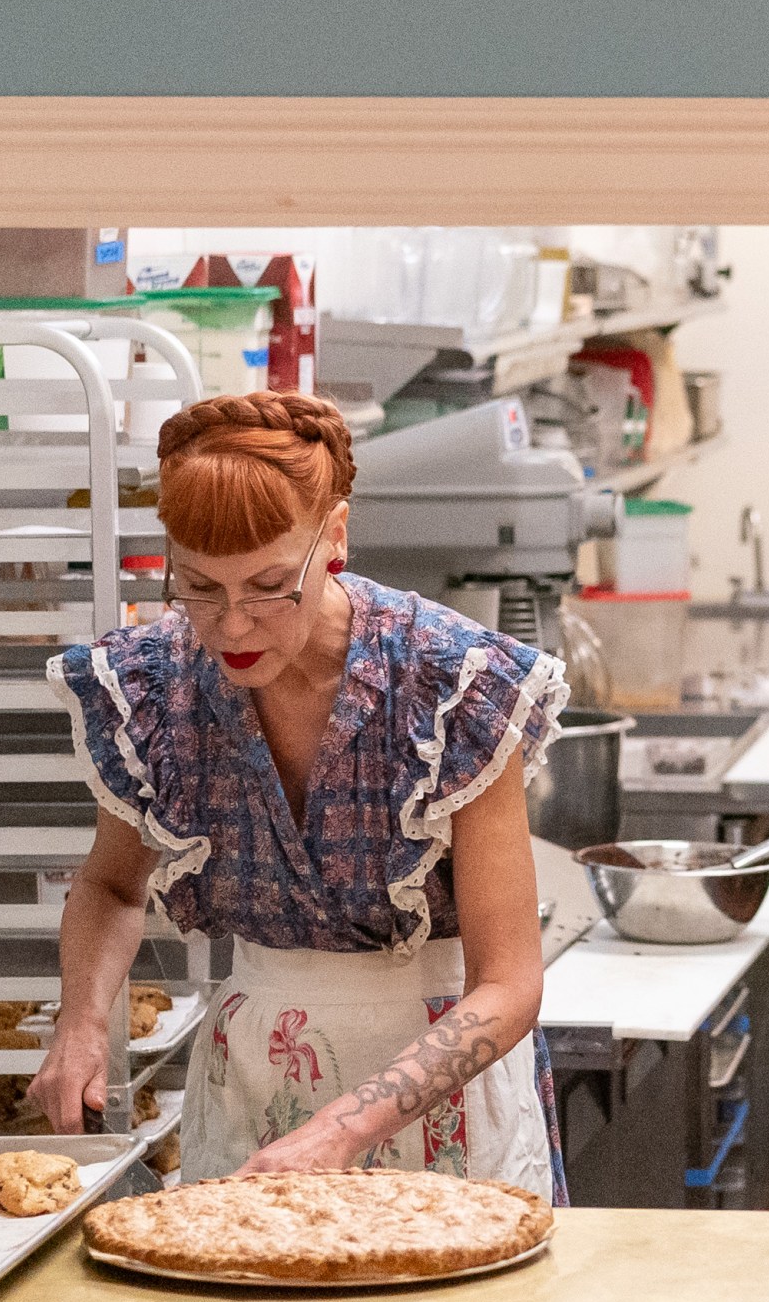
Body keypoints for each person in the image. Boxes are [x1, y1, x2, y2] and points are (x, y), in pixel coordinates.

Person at [28, 390, 565, 1195]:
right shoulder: (158, 688)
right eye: (200, 588)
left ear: (336, 537)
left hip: (435, 1094)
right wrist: (80, 1021)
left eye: (269, 586)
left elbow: (510, 984)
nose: (233, 626)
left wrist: (342, 1130)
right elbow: (110, 885)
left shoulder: (450, 686)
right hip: (255, 1085)